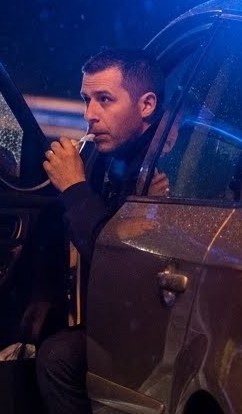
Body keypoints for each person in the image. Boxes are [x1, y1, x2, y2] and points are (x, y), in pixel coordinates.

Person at [35, 47, 166, 414]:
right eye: (86, 99)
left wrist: (74, 187)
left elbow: (112, 258)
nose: (89, 115)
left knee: (58, 359)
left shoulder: (161, 164)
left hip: (156, 328)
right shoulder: (112, 157)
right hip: (128, 316)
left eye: (104, 100)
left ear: (146, 105)